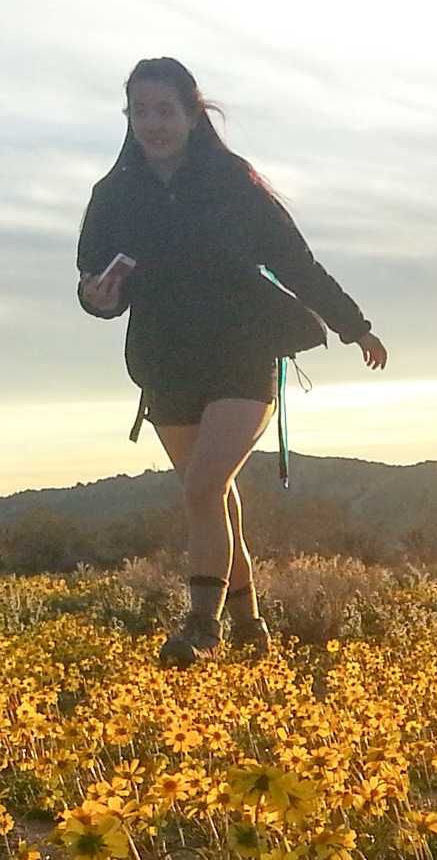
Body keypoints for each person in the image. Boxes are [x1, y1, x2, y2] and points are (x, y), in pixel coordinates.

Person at [75, 57, 388, 666]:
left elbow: (296, 262)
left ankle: (200, 625)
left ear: (192, 113)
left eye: (165, 109)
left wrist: (355, 326)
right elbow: (96, 287)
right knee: (209, 498)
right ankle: (250, 629)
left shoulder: (230, 181)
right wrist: (97, 297)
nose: (153, 123)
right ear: (127, 117)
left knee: (202, 486)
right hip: (165, 361)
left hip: (243, 351)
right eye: (141, 111)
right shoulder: (113, 196)